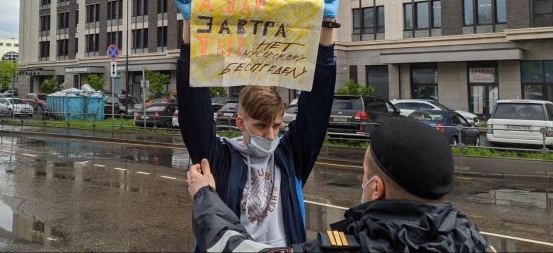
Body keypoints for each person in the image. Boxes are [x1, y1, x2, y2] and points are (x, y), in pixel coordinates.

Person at [175, 0, 339, 247]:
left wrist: (327, 25)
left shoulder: (290, 157)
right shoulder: (219, 159)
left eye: (276, 125)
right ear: (241, 122)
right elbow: (194, 106)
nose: (271, 135)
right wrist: (190, 24)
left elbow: (317, 107)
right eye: (262, 126)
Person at [186, 117, 492, 252]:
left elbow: (236, 249)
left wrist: (205, 195)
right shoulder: (475, 241)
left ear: (375, 189)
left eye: (364, 174)